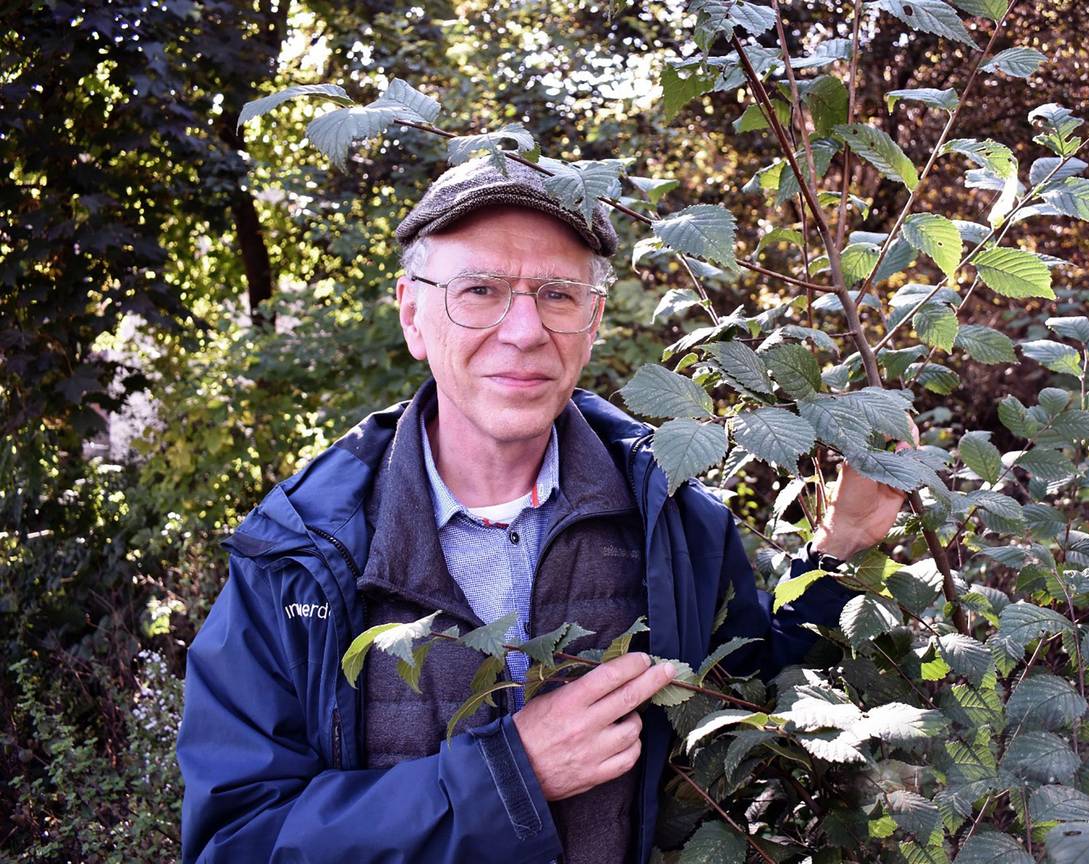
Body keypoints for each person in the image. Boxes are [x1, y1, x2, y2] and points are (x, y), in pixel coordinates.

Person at [177, 156, 909, 863]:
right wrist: (508, 775)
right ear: (413, 314)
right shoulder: (300, 558)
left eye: (557, 295)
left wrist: (838, 549)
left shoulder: (675, 521)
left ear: (592, 324)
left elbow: (745, 703)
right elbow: (233, 841)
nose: (524, 331)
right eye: (480, 291)